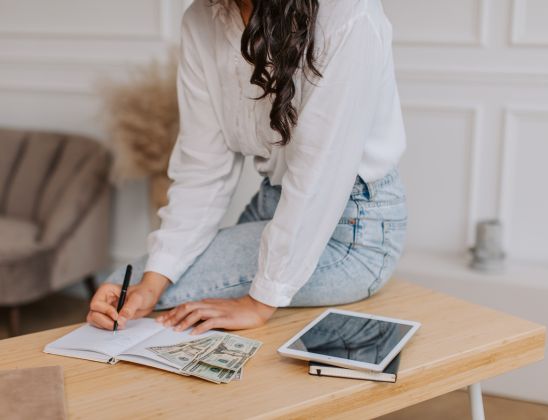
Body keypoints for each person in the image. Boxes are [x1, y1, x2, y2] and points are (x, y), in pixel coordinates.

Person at [87, 0, 408, 335]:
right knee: (131, 294)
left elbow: (320, 177)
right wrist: (153, 281)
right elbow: (203, 169)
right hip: (275, 205)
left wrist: (259, 304)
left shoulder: (347, 13)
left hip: (353, 233)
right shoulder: (202, 19)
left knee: (135, 298)